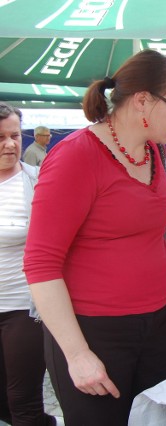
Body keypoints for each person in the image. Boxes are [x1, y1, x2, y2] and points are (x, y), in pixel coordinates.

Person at [23, 50, 166, 425]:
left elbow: (151, 221)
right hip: (95, 331)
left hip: (156, 322)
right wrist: (77, 354)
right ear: (142, 100)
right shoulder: (76, 156)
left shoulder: (152, 151)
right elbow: (41, 263)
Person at [0, 103, 56, 426]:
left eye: (15, 135)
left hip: (25, 306)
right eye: (1, 137)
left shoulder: (37, 181)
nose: (10, 144)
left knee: (22, 400)